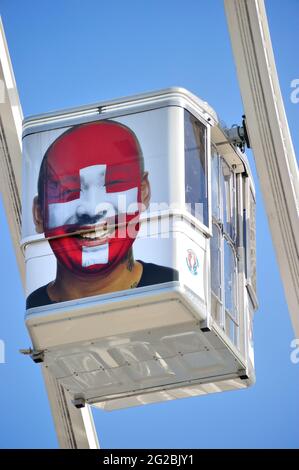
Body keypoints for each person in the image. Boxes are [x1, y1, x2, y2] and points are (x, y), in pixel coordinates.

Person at [26, 120, 178, 308]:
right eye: (68, 191)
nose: (91, 209)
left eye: (113, 183)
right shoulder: (35, 308)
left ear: (143, 192)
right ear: (39, 213)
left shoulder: (169, 285)